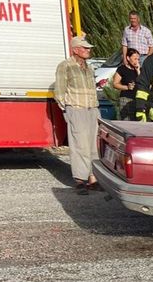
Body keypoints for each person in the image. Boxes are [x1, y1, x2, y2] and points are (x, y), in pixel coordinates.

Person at [54, 35, 100, 195]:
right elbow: (59, 90)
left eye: (88, 48)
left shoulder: (89, 67)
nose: (88, 50)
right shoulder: (65, 66)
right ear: (75, 50)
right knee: (80, 145)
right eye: (84, 48)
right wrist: (67, 109)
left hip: (92, 108)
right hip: (77, 108)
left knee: (94, 144)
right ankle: (80, 180)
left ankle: (93, 178)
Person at [113, 48, 141, 121]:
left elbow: (143, 82)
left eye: (138, 59)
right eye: (135, 59)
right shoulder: (122, 69)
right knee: (126, 121)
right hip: (126, 98)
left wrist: (138, 70)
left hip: (138, 99)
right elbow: (115, 84)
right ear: (128, 58)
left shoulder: (140, 70)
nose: (137, 61)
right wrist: (127, 87)